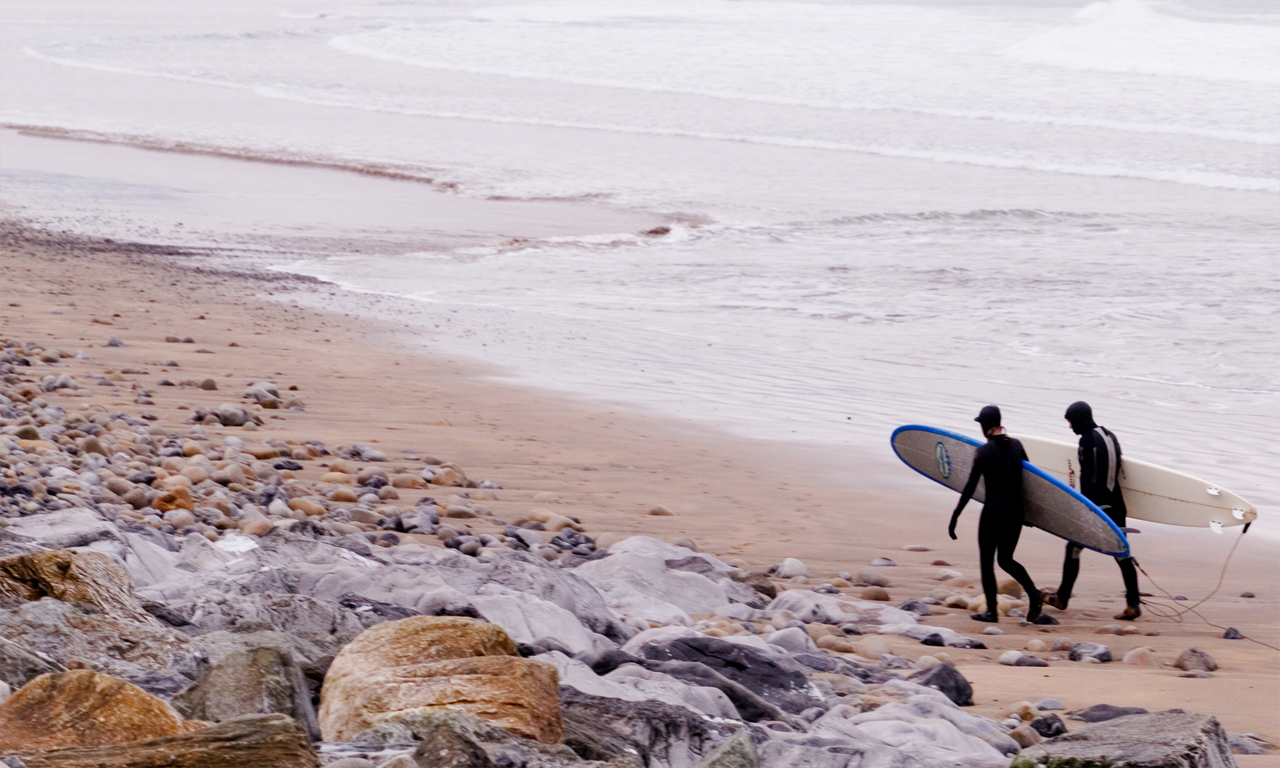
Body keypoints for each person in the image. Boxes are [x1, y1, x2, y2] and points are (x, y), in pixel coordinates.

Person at [1042, 401, 1142, 620]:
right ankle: (1133, 604)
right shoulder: (1110, 435)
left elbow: (1087, 477)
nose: (1070, 427)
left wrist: (1083, 508)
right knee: (1122, 552)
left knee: (1073, 548)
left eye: (1071, 422)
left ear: (1080, 419)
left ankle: (1062, 598)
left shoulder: (1086, 440)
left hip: (1098, 506)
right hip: (1117, 504)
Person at [950, 405, 1043, 623]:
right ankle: (1033, 592)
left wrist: (955, 515)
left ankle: (991, 611)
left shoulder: (983, 452)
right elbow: (1031, 481)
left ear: (984, 426)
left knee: (987, 561)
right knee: (1006, 559)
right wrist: (1030, 515)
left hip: (994, 511)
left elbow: (970, 486)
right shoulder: (1017, 445)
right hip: (1015, 512)